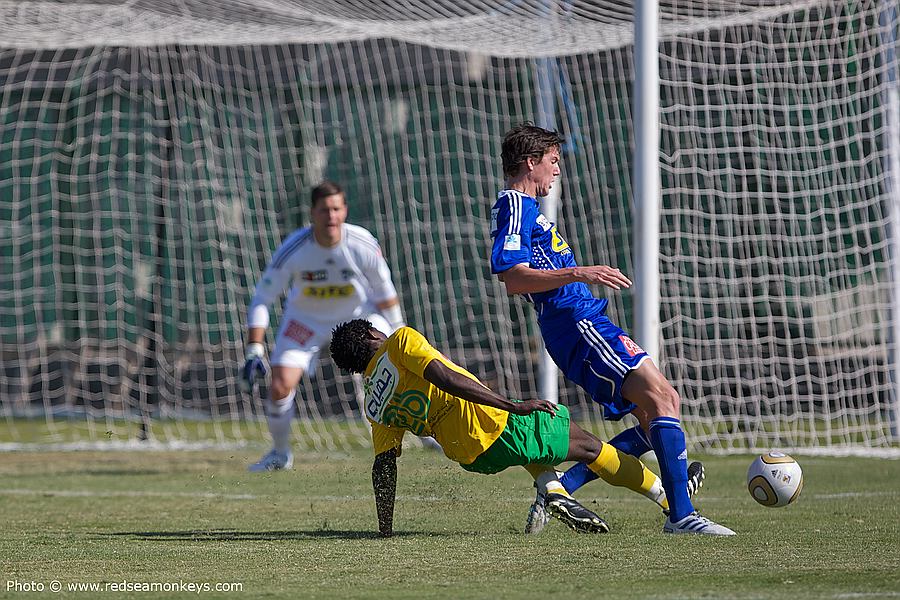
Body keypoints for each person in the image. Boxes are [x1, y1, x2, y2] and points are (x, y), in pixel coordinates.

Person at [489, 123, 735, 536]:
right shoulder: (515, 203)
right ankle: (681, 515)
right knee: (663, 398)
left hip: (582, 319)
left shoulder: (527, 208)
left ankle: (562, 490)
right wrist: (579, 272)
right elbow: (513, 278)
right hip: (575, 322)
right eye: (553, 161)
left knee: (652, 415)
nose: (557, 170)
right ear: (530, 163)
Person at [330, 318, 696, 537]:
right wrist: (512, 405)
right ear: (369, 335)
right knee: (590, 446)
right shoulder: (399, 343)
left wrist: (385, 528)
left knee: (529, 451)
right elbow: (442, 376)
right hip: (491, 423)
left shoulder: (374, 404)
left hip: (467, 454)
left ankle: (553, 491)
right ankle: (671, 502)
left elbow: (384, 466)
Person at [241, 181, 406, 472]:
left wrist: (400, 337)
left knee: (397, 372)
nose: (330, 216)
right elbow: (261, 299)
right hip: (304, 321)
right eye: (323, 210)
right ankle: (280, 454)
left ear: (344, 211)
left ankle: (427, 434)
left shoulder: (362, 242)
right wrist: (254, 349)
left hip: (357, 319)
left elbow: (385, 293)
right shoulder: (293, 249)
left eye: (336, 209)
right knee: (279, 385)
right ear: (312, 214)